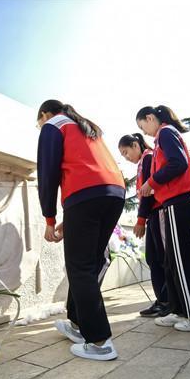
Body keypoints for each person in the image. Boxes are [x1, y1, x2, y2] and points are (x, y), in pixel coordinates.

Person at [37, 100, 125, 360]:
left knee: (80, 267)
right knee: (89, 263)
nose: (39, 126)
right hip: (113, 193)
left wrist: (49, 218)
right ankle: (78, 324)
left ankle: (99, 342)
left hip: (85, 195)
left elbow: (48, 174)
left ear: (44, 114)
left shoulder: (54, 125)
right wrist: (68, 219)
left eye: (38, 122)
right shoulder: (84, 125)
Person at [136, 105, 190, 332]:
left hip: (177, 201)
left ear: (150, 118)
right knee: (173, 260)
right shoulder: (163, 136)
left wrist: (152, 182)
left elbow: (178, 163)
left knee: (182, 259)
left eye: (143, 126)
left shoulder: (165, 133)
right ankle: (179, 309)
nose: (145, 133)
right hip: (172, 202)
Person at [118, 133, 170, 318]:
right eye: (123, 155)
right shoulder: (142, 162)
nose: (126, 157)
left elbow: (148, 192)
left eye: (126, 152)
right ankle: (162, 299)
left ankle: (168, 301)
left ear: (135, 145)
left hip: (158, 211)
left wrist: (140, 220)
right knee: (153, 259)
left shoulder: (148, 158)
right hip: (152, 215)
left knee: (163, 259)